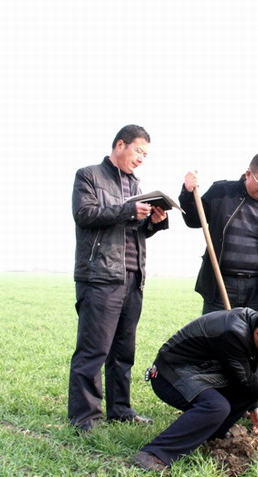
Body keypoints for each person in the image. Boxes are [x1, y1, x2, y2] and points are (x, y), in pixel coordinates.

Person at [68, 124, 169, 432]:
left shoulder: (135, 184)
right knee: (94, 350)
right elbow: (84, 214)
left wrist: (153, 222)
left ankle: (121, 410)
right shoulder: (88, 175)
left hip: (133, 276)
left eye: (146, 155)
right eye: (138, 151)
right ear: (120, 145)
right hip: (100, 276)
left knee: (123, 352)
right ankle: (85, 417)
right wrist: (128, 210)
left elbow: (132, 230)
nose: (141, 159)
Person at [131, 308, 258, 471]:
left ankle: (211, 436)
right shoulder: (233, 333)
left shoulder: (255, 327)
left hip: (203, 371)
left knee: (247, 394)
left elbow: (247, 378)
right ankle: (154, 454)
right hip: (171, 373)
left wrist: (255, 407)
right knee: (215, 406)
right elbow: (246, 380)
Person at [180, 153, 258, 313]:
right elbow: (193, 220)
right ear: (248, 174)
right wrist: (187, 192)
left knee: (252, 330)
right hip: (220, 284)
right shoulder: (221, 193)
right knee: (217, 328)